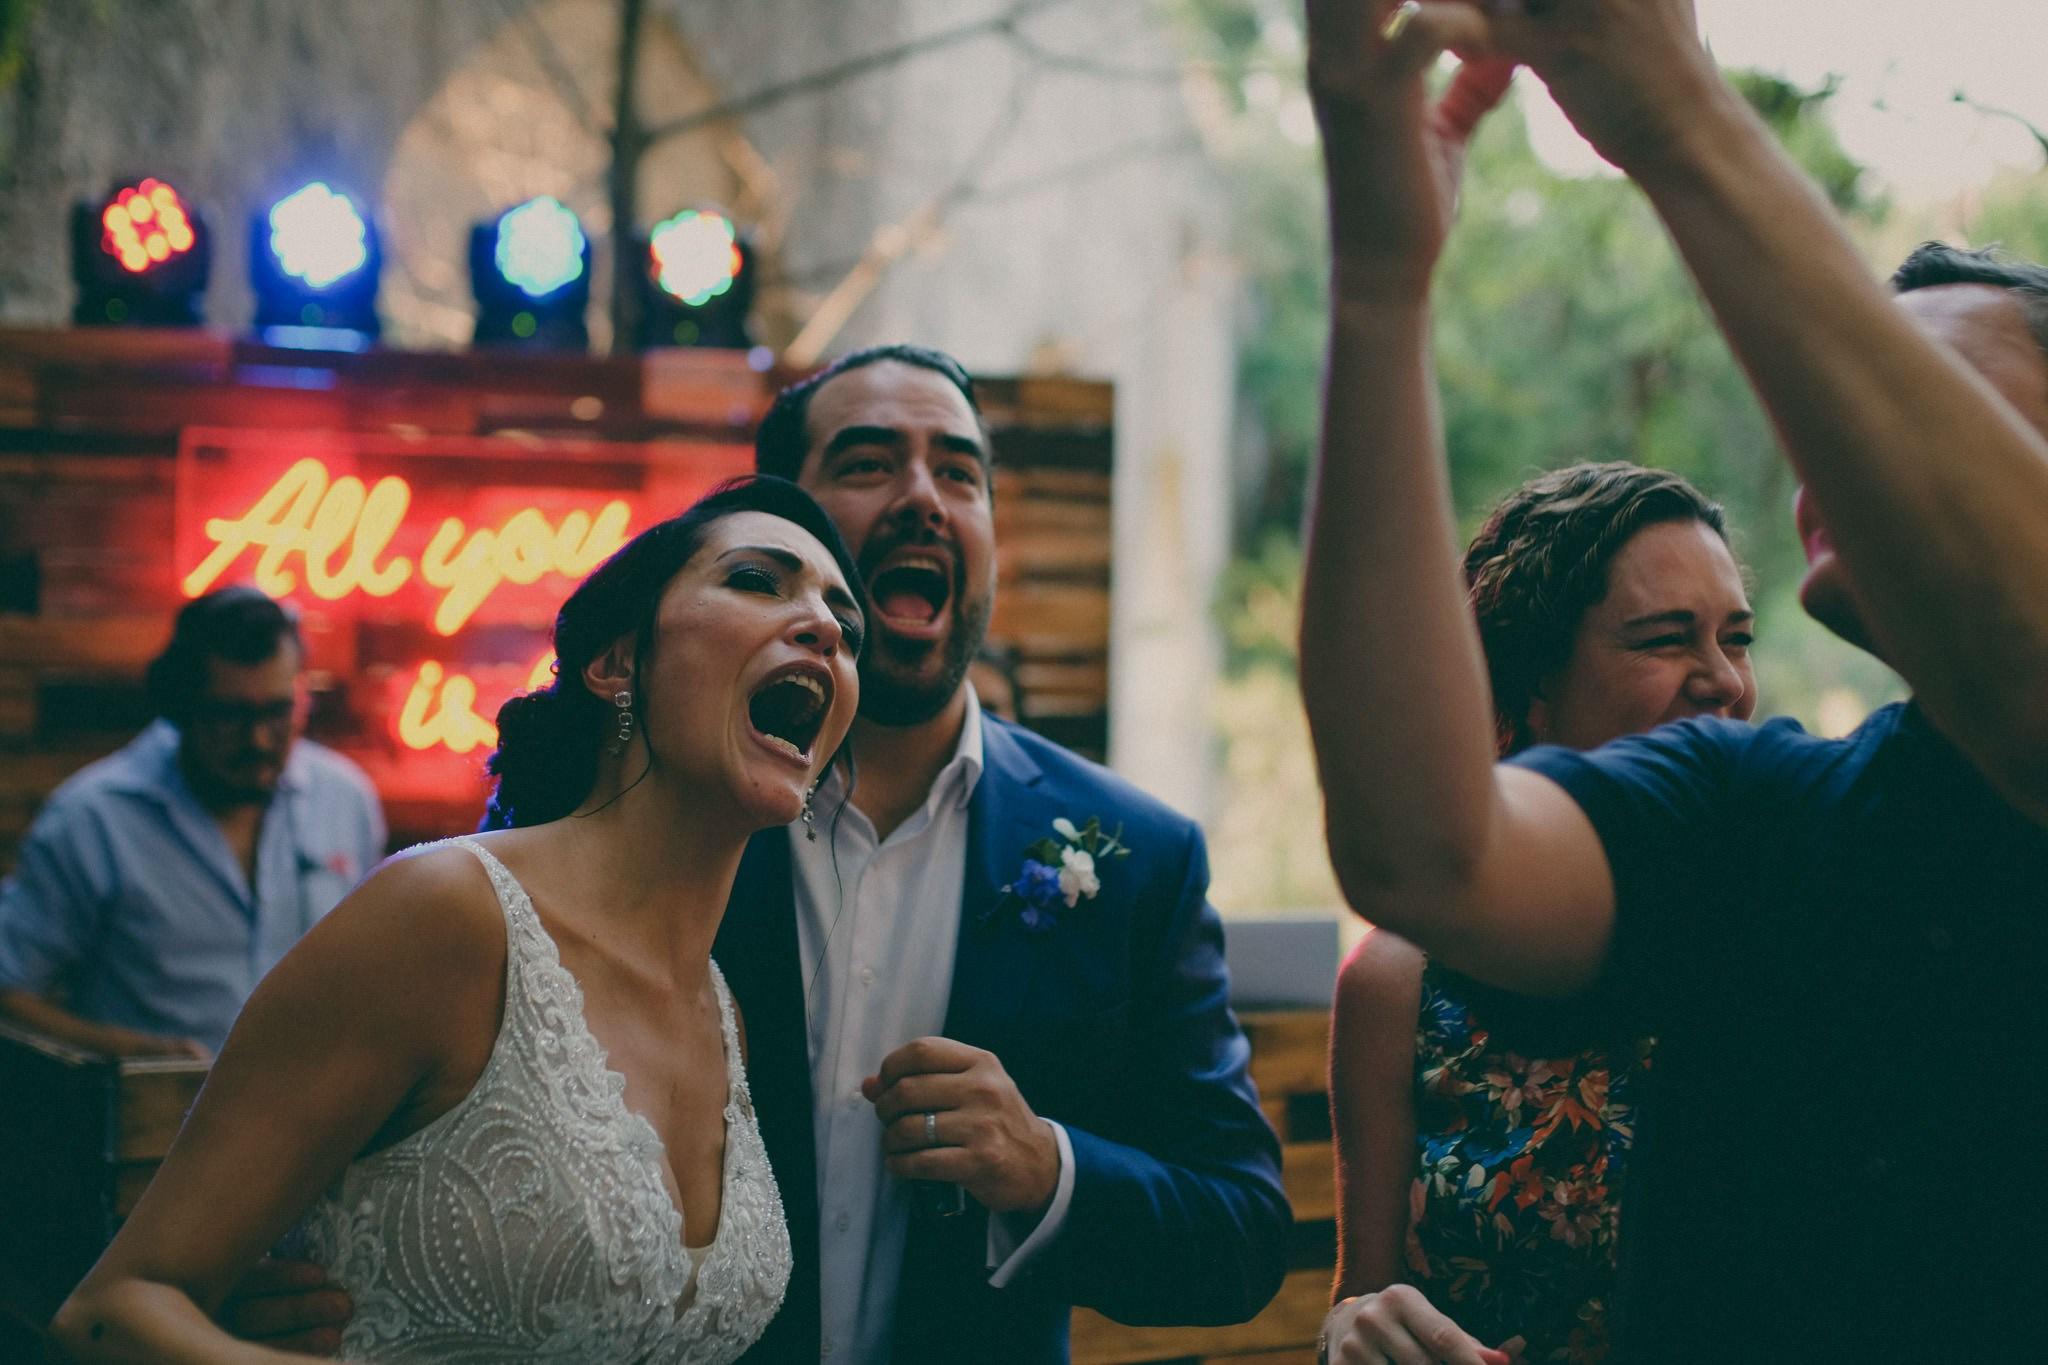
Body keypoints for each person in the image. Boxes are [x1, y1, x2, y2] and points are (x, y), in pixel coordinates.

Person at [220, 347, 1291, 1365]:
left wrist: (1043, 1167)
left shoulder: (1138, 858)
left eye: (959, 474)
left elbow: (1241, 1236)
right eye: (869, 463)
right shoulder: (628, 834)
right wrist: (293, 1279)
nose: (923, 496)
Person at [1299, 0, 2048, 1359]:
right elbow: (1423, 853)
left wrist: (1675, 111)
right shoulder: (1757, 806)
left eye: (1913, 395)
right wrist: (1379, 286)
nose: (1834, 429)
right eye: (1824, 388)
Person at [51, 476, 865, 1364]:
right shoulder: (447, 916)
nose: (825, 626)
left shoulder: (723, 1011)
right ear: (618, 663)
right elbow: (110, 1313)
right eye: (758, 579)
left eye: (847, 626)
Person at [1329, 464, 1754, 1364]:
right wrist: (1358, 1334)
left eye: (1737, 638)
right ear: (1530, 686)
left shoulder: (1786, 932)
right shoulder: (1399, 983)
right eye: (1665, 640)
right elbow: (1357, 1299)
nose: (1723, 681)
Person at [0, 586, 383, 1058]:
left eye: (278, 711)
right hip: (159, 1126)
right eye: (230, 715)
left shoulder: (347, 799)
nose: (259, 741)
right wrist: (137, 1058)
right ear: (178, 703)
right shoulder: (90, 820)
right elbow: (8, 996)